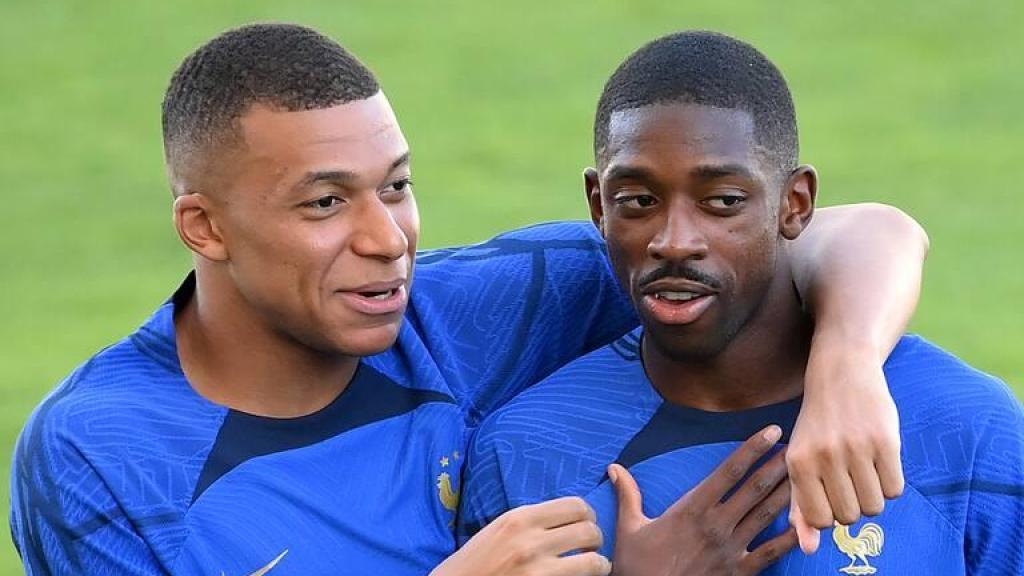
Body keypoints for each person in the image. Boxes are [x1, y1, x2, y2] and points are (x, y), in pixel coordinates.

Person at [10, 24, 928, 575]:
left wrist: (847, 365)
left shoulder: (472, 313)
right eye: (327, 202)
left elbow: (845, 230)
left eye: (397, 186)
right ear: (204, 227)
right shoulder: (99, 452)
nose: (387, 238)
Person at [458, 30, 1024, 575]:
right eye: (638, 200)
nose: (675, 241)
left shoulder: (969, 430)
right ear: (598, 205)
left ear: (794, 203)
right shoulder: (523, 453)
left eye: (723, 201)